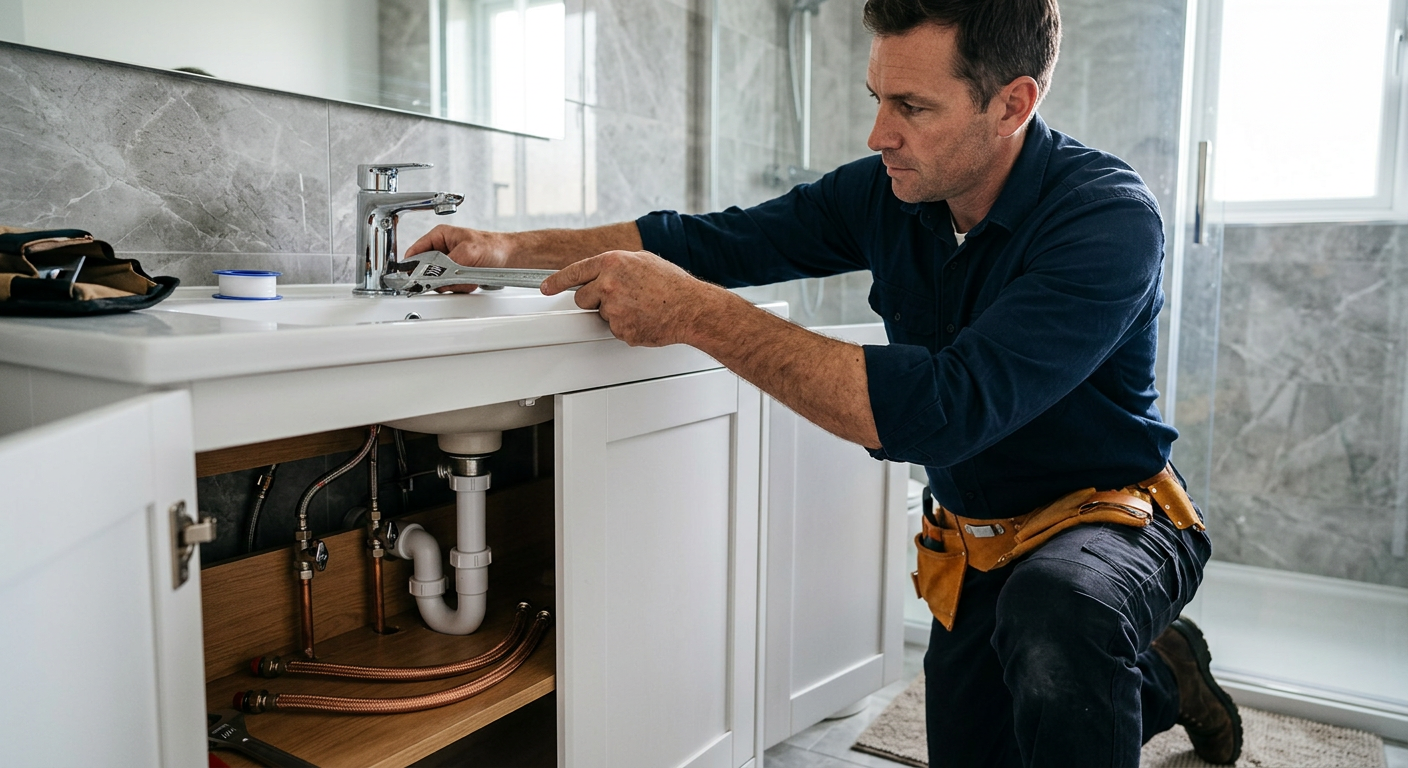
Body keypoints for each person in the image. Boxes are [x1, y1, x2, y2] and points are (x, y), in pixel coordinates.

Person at [405, 0, 1243, 765]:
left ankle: (1120, 649)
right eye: (878, 96)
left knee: (1059, 617)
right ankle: (1170, 679)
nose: (880, 132)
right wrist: (509, 249)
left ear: (1013, 105)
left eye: (911, 107)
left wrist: (700, 316)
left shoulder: (1106, 217)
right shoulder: (888, 191)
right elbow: (712, 243)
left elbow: (944, 411)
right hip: (980, 541)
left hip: (1108, 517)